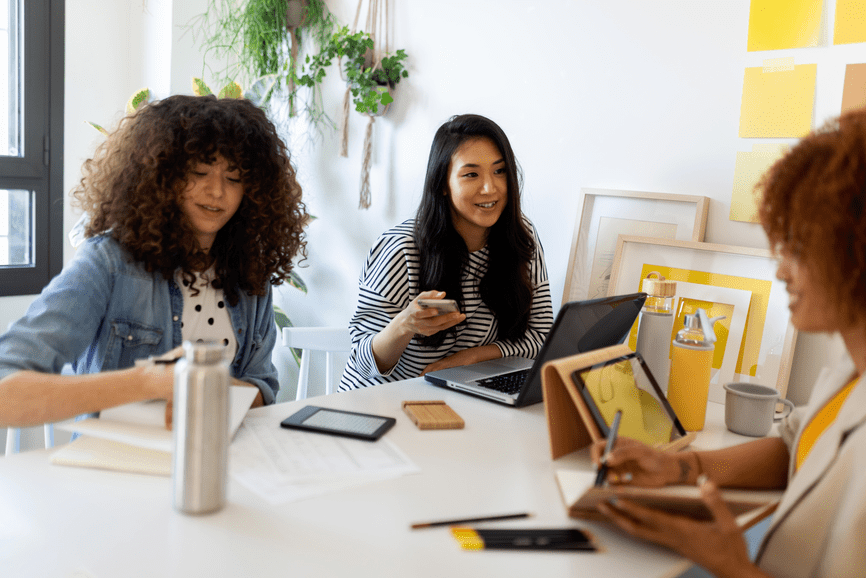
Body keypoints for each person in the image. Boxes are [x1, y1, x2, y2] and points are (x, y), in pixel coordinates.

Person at [591, 109, 866, 578]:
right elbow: (795, 443)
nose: (781, 271)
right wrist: (677, 468)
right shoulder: (851, 360)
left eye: (798, 249)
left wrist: (731, 566)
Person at [0, 94, 307, 429]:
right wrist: (150, 382)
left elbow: (262, 388)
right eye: (199, 171)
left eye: (233, 178)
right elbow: (6, 390)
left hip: (218, 461)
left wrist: (207, 387)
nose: (217, 191)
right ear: (163, 176)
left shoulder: (250, 276)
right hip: (117, 469)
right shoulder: (108, 262)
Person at [340, 114, 554, 390]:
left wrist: (472, 357)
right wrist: (404, 324)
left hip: (455, 398)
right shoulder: (400, 248)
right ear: (443, 183)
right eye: (471, 174)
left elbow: (540, 337)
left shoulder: (521, 236)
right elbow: (363, 361)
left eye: (499, 171)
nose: (490, 188)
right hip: (379, 401)